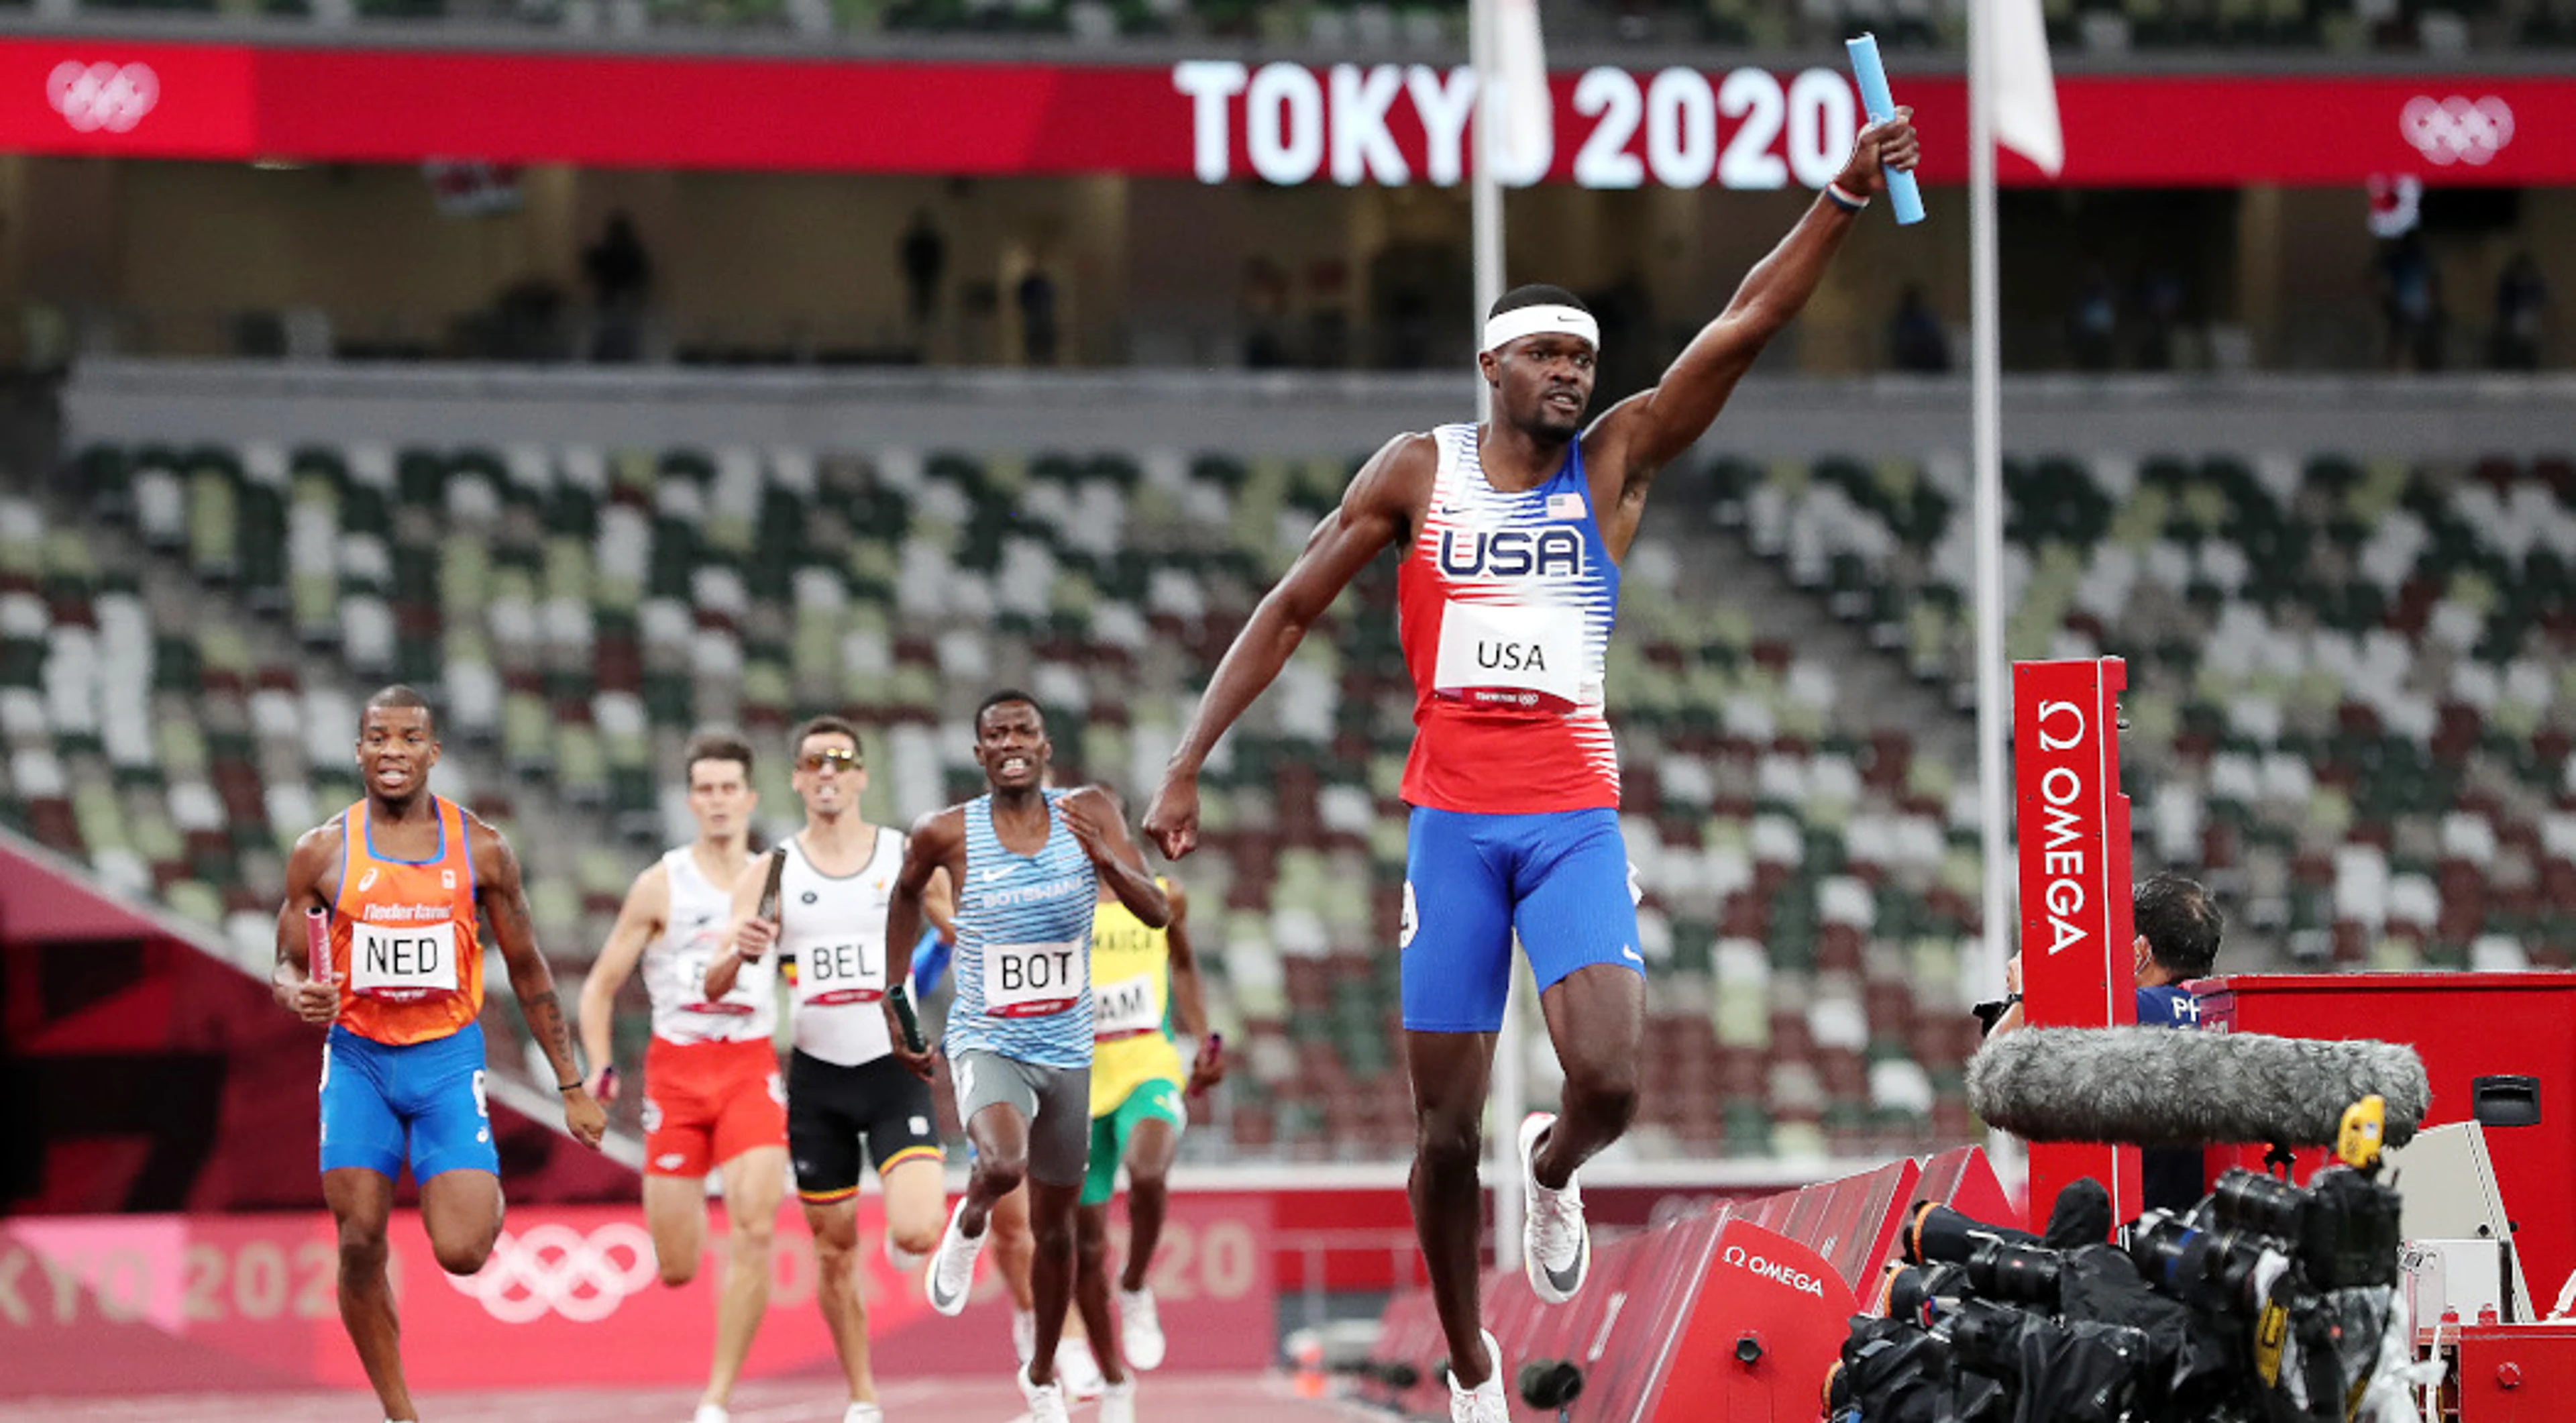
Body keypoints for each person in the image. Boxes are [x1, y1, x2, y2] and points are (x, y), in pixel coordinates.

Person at [1141, 114, 1921, 1423]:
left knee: (1609, 1078)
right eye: (1549, 355)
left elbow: (1741, 323)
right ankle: (1468, 1366)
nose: (1572, 375)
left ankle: (1554, 1164)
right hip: (1452, 825)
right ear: (1493, 364)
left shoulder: (1615, 460)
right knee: (1441, 1136)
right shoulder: (1416, 470)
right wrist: (1185, 762)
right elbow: (1286, 608)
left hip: (1569, 815)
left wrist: (1842, 191)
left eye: (1586, 357)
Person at [271, 685, 607, 1423]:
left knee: (462, 1251)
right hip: (358, 1060)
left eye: (409, 739)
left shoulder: (481, 848)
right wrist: (297, 994)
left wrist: (571, 1083)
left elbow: (528, 968)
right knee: (360, 1240)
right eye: (379, 738)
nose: (393, 752)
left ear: (434, 752)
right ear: (358, 749)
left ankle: (479, 1190)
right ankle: (401, 1414)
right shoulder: (322, 852)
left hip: (446, 1060)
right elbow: (287, 965)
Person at [884, 691, 1171, 1423]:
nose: (1011, 742)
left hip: (1070, 1049)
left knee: (1058, 1237)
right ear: (979, 754)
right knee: (1004, 1163)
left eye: (1025, 731)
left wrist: (1106, 856)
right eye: (995, 734)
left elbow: (1158, 911)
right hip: (988, 1038)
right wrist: (897, 1002)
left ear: (1046, 747)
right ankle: (972, 1218)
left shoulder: (1091, 812)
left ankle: (1041, 1377)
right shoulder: (946, 833)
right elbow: (904, 896)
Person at [710, 716, 946, 1423]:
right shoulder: (772, 869)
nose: (828, 774)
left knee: (913, 1232)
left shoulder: (902, 856)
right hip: (817, 1079)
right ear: (797, 778)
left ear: (862, 776)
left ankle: (914, 1240)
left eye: (841, 761)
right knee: (835, 1251)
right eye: (814, 763)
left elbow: (963, 929)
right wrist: (741, 950)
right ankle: (864, 1396)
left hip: (892, 1064)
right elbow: (717, 980)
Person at [985, 783, 1226, 1389]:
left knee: (1148, 1169)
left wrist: (1204, 1036)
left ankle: (1138, 1283)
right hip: (1077, 1082)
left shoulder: (1161, 898)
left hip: (1147, 1063)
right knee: (1086, 1244)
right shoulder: (1046, 909)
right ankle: (1111, 1370)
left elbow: (1185, 964)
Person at [576, 732, 784, 1423]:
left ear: (750, 799)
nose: (720, 801)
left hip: (749, 1064)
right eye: (707, 789)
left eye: (731, 788)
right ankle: (714, 1381)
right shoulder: (660, 884)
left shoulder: (776, 880)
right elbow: (600, 986)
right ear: (691, 800)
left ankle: (717, 1399)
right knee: (677, 1264)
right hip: (677, 1074)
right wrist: (599, 1064)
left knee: (755, 1226)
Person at [1984, 870, 2226, 1212]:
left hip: (2137, 1240)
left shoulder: (2123, 1013)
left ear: (2140, 950)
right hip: (2210, 1234)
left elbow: (1997, 1069)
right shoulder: (2230, 1015)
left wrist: (2025, 995)